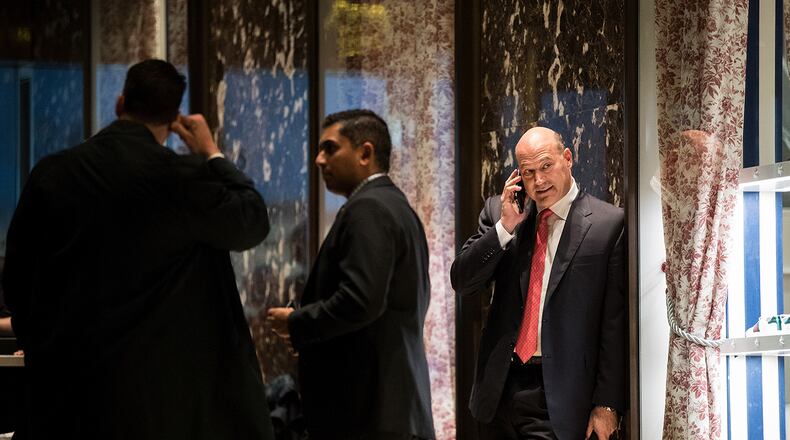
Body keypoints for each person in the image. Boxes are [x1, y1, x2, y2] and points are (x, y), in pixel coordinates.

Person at [2, 59, 274, 440]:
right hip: (156, 402)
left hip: (65, 393)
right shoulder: (182, 179)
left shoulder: (52, 173)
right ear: (174, 117)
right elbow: (252, 221)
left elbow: (16, 279)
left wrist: (43, 344)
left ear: (120, 102)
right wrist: (211, 153)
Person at [267, 109, 435, 440]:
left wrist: (297, 322)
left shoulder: (369, 208)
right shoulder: (394, 205)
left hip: (368, 414)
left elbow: (361, 300)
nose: (318, 160)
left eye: (330, 148)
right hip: (389, 409)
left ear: (365, 153)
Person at [451, 127, 626, 440]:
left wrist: (608, 404)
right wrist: (504, 228)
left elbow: (614, 324)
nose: (539, 182)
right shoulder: (501, 213)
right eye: (528, 172)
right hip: (498, 393)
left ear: (567, 158)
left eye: (546, 166)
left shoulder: (608, 224)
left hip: (562, 397)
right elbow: (463, 281)